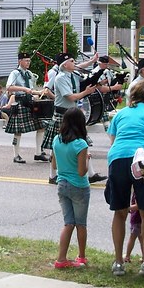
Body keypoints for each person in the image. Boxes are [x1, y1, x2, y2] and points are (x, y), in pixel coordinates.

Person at [104, 79, 144, 277]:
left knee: (120, 211)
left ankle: (118, 262)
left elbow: (114, 142)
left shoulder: (120, 114)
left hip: (118, 158)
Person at [40, 53, 98, 182]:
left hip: (73, 113)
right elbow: (71, 97)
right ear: (65, 65)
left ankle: (91, 174)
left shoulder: (73, 75)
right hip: (63, 114)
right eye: (72, 61)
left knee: (84, 142)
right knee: (57, 145)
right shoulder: (60, 78)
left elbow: (80, 67)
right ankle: (52, 176)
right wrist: (86, 92)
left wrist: (93, 62)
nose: (75, 63)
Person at [52, 107, 91, 269]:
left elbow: (54, 165)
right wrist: (87, 158)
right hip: (79, 187)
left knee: (68, 223)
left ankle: (61, 259)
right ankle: (81, 257)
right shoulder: (80, 144)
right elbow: (82, 171)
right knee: (81, 224)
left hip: (62, 184)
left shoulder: (56, 140)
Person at [4, 51, 47, 164]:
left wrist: (39, 92)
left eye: (29, 60)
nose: (29, 62)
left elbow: (31, 89)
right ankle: (16, 155)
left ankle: (38, 153)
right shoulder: (15, 73)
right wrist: (23, 89)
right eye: (26, 61)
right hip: (20, 102)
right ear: (20, 61)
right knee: (18, 131)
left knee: (41, 126)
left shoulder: (29, 74)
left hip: (30, 103)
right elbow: (8, 87)